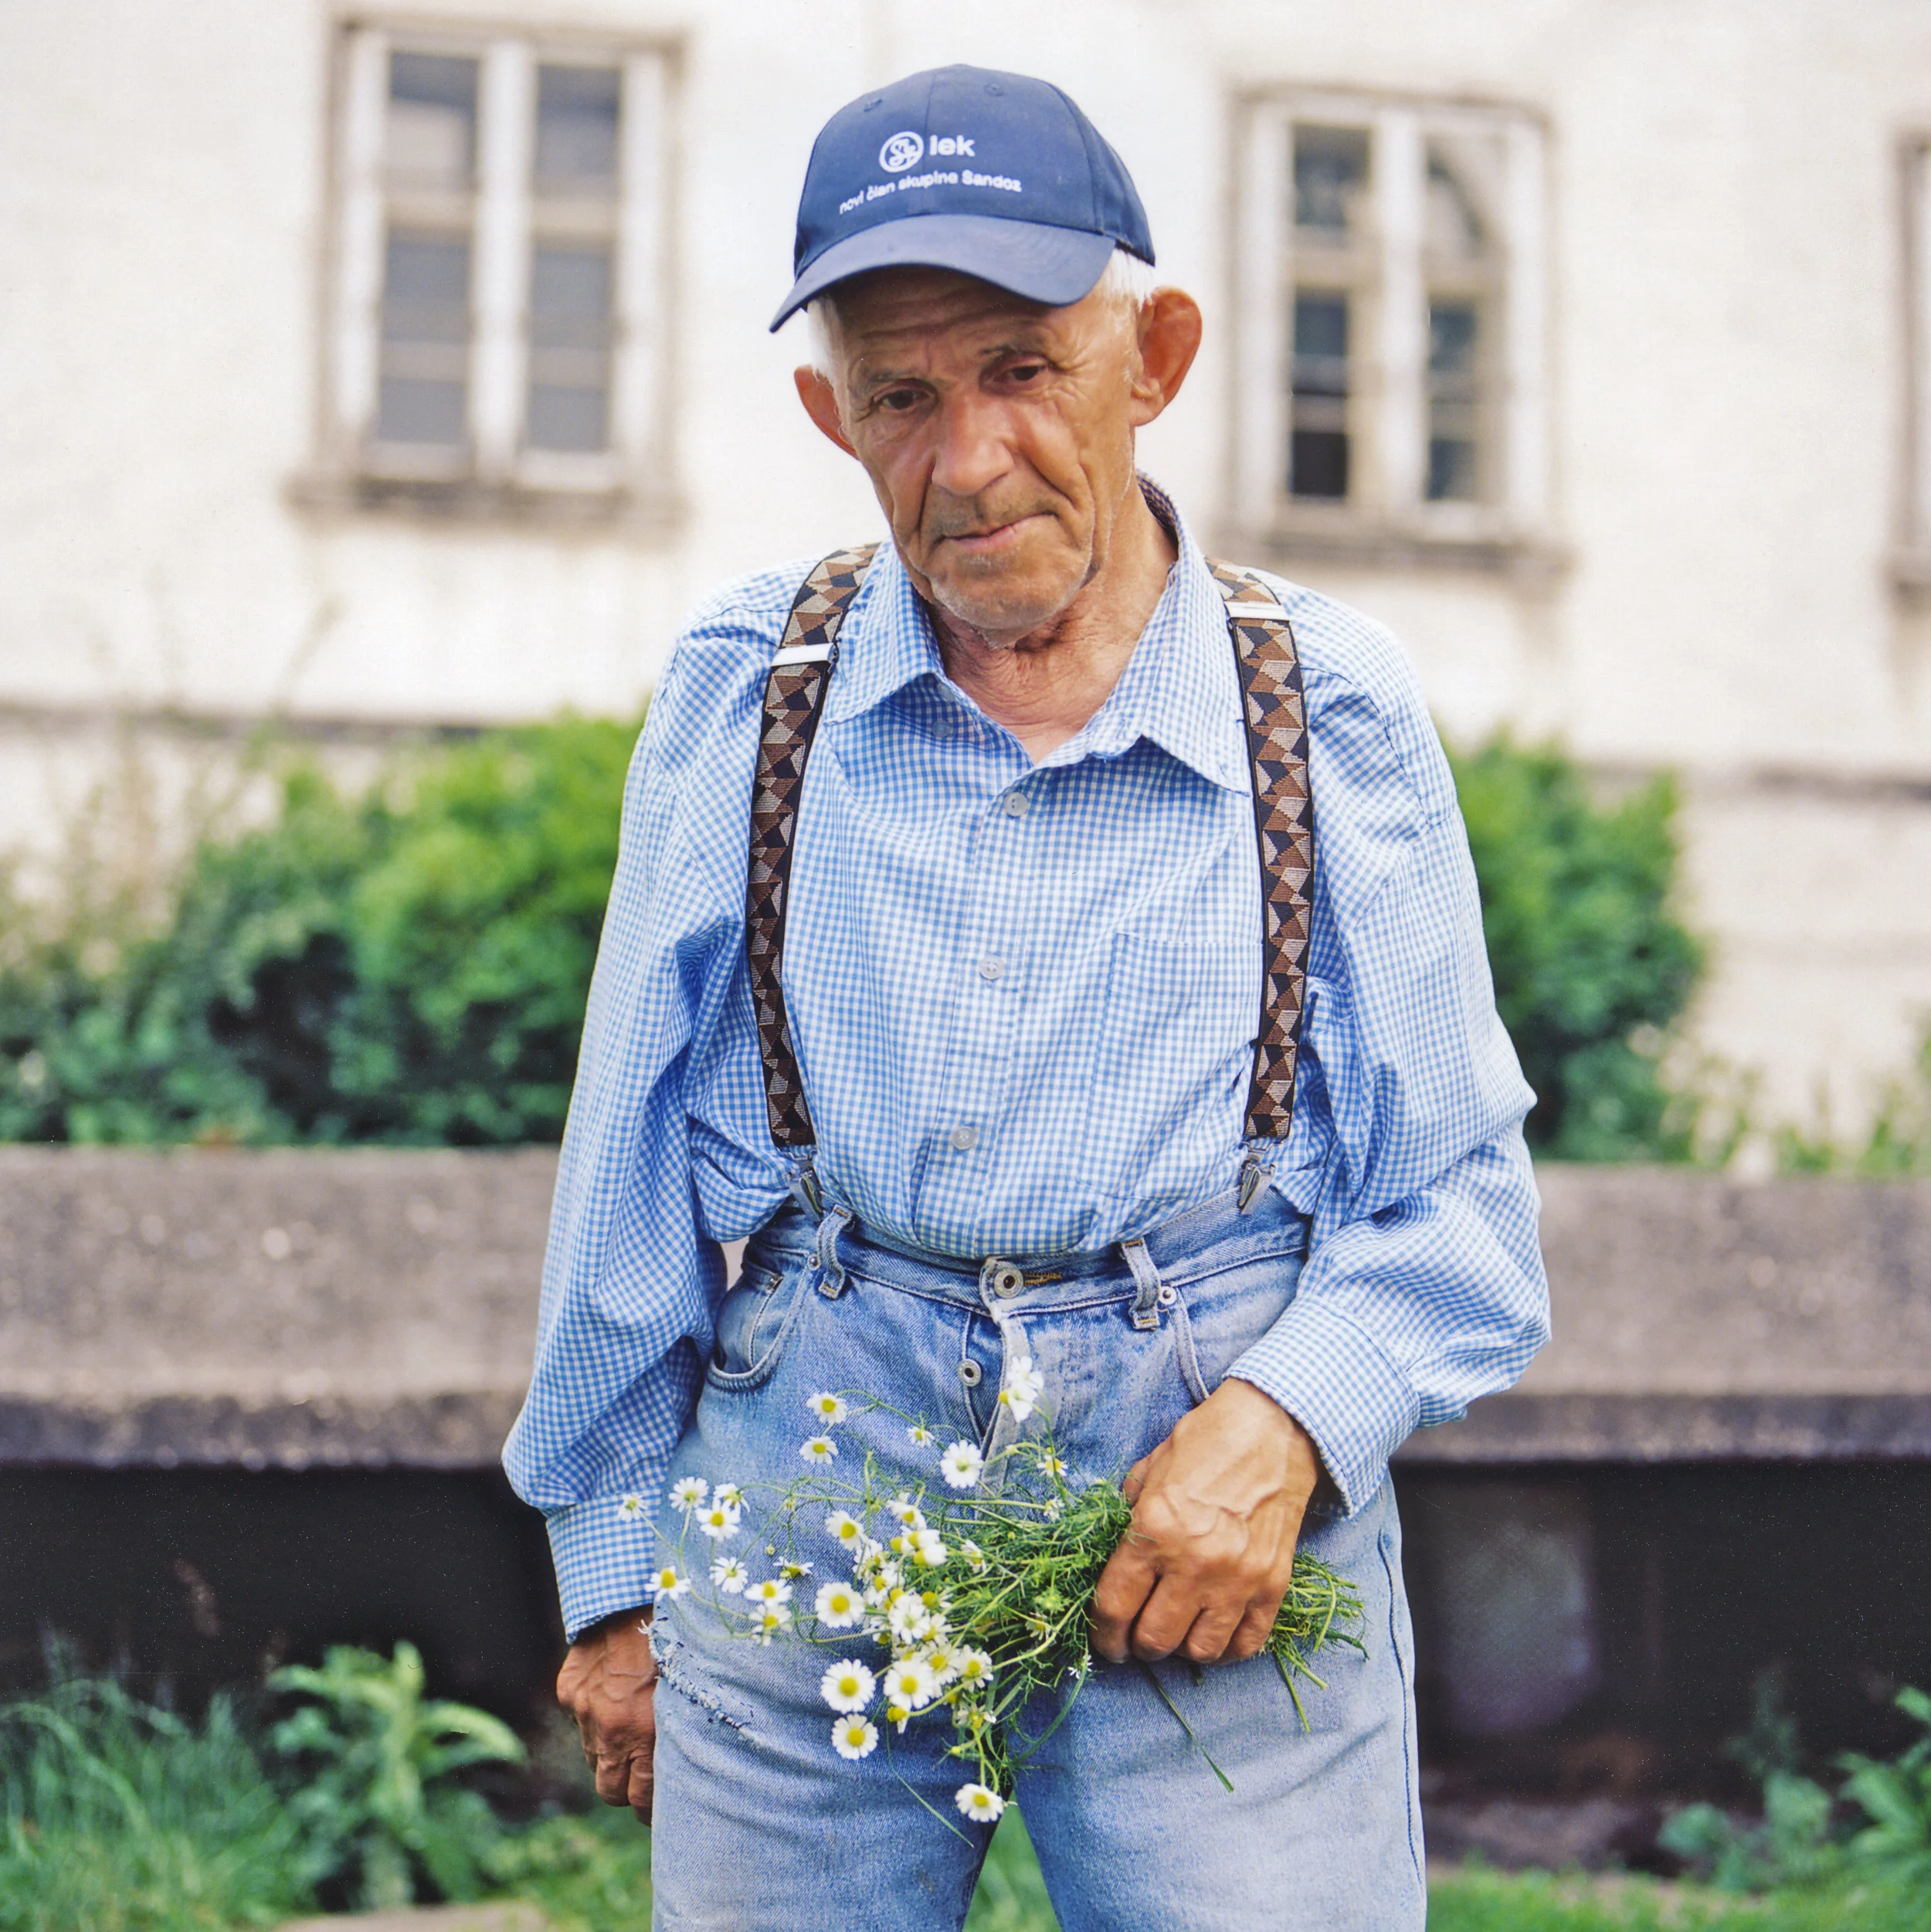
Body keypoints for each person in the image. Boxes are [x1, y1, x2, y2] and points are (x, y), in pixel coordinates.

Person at [506, 63, 1549, 1931]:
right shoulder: (757, 683)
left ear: (1154, 355)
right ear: (832, 415)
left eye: (1021, 371)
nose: (966, 457)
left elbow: (1459, 1203)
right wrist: (608, 1564)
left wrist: (1285, 1421)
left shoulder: (1329, 702)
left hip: (1201, 1462)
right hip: (817, 1443)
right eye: (901, 394)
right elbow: (633, 1147)